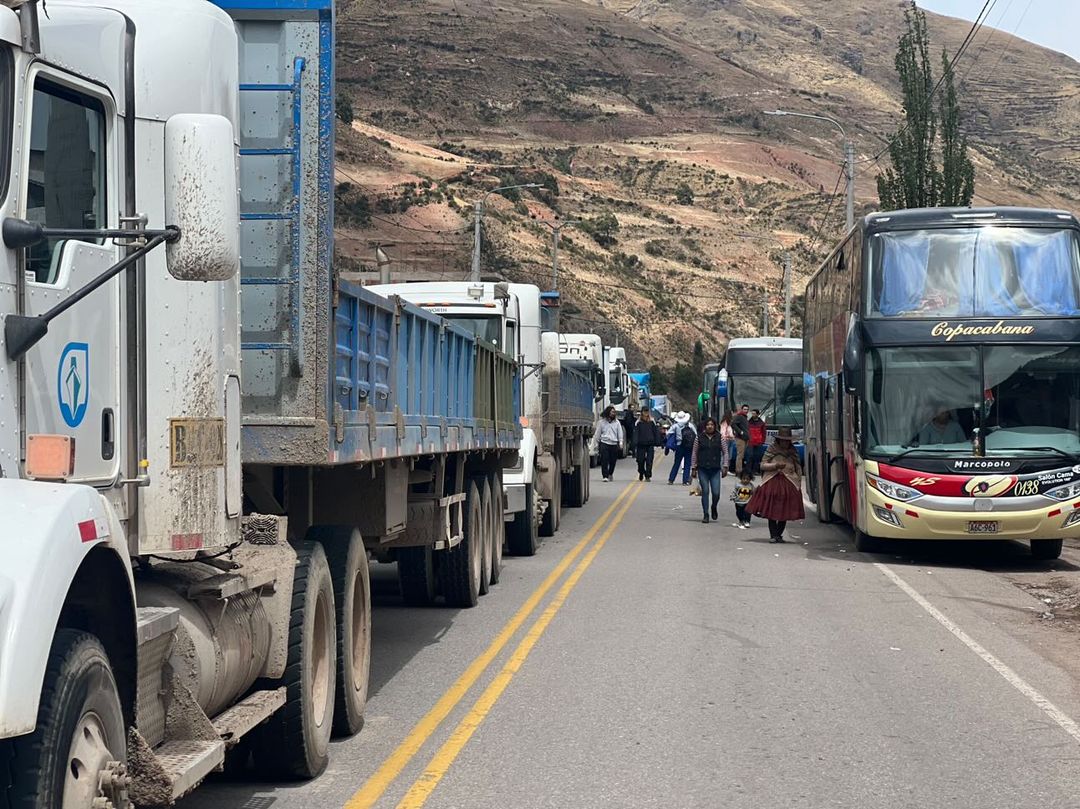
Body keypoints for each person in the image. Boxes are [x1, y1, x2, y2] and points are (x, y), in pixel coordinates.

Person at [747, 426, 805, 543]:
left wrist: (798, 482)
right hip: (772, 481)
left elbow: (798, 466)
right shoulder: (771, 449)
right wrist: (775, 466)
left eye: (787, 440)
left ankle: (779, 534)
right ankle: (773, 535)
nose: (785, 443)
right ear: (778, 440)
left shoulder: (793, 451)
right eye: (782, 440)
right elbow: (762, 465)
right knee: (772, 510)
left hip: (789, 482)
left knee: (785, 510)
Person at [691, 417, 729, 523]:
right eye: (708, 424)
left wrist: (725, 466)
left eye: (712, 424)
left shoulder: (720, 437)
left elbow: (725, 452)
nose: (710, 426)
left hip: (715, 469)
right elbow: (694, 452)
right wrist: (693, 468)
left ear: (715, 426)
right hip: (703, 469)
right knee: (705, 491)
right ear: (705, 426)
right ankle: (706, 514)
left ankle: (714, 506)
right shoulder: (699, 438)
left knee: (716, 493)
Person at [591, 405, 625, 482]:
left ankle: (610, 473)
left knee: (613, 461)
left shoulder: (617, 423)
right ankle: (605, 476)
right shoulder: (601, 422)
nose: (613, 414)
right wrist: (596, 444)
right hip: (604, 443)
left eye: (614, 412)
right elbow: (597, 434)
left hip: (613, 443)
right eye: (612, 412)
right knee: (604, 460)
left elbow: (620, 433)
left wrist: (621, 442)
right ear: (608, 413)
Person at [632, 409, 664, 481]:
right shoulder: (638, 422)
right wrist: (635, 442)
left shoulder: (652, 421)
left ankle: (648, 475)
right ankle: (641, 472)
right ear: (642, 413)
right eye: (644, 411)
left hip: (650, 444)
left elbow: (656, 432)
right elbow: (635, 433)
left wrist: (658, 442)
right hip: (641, 444)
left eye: (647, 411)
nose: (646, 413)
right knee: (640, 460)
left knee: (649, 460)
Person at [666, 411, 696, 486]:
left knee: (676, 463)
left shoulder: (675, 426)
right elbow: (695, 435)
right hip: (689, 446)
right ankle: (685, 481)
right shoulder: (690, 425)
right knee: (687, 464)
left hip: (679, 446)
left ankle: (671, 479)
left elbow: (668, 434)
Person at [747, 408, 767, 476]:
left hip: (759, 442)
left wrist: (763, 441)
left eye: (754, 413)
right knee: (750, 456)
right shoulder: (749, 422)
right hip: (750, 442)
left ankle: (755, 470)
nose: (753, 415)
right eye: (752, 413)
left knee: (757, 457)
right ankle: (748, 470)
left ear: (758, 414)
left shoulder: (761, 423)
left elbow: (764, 433)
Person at [732, 403, 750, 474]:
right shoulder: (739, 416)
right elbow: (733, 424)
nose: (746, 411)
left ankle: (740, 469)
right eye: (745, 409)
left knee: (741, 455)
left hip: (745, 438)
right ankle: (738, 471)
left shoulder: (745, 417)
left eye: (747, 409)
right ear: (742, 409)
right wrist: (740, 432)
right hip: (740, 438)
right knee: (740, 455)